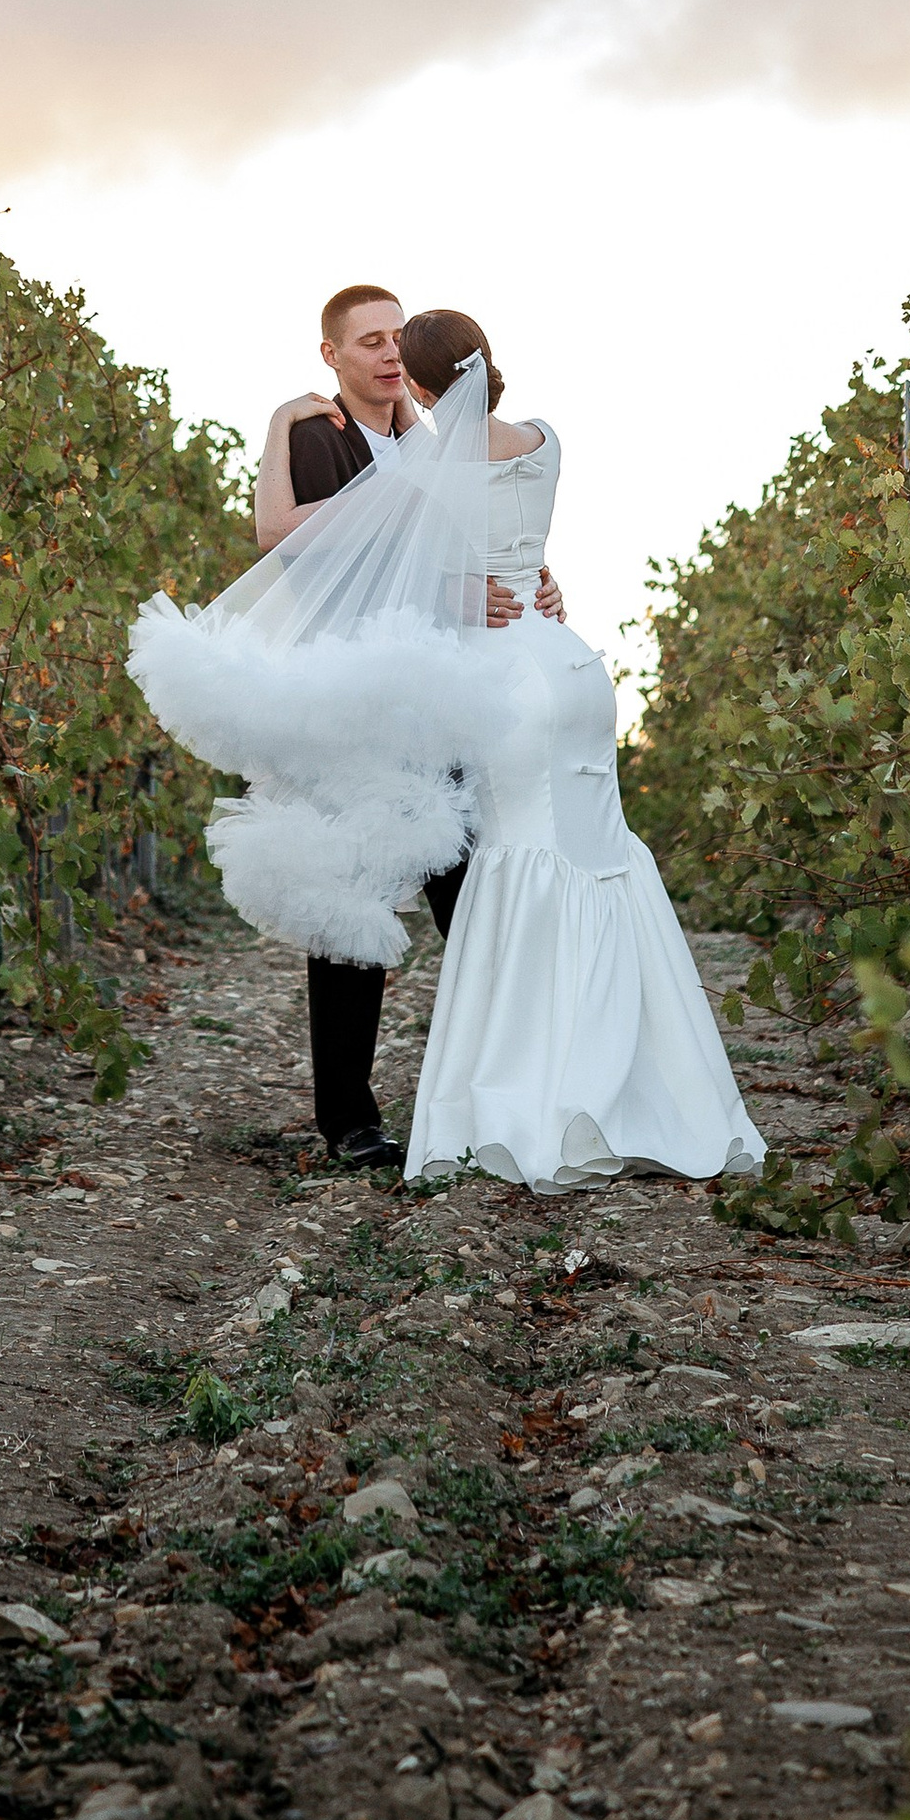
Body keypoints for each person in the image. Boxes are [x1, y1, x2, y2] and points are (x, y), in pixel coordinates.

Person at [386, 308, 761, 1193]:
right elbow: (524, 548)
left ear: (424, 385)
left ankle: (544, 1093)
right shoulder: (547, 440)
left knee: (521, 860)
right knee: (596, 857)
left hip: (501, 676)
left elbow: (409, 579)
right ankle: (639, 1081)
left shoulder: (424, 468)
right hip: (570, 663)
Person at [246, 286, 563, 1168]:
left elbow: (475, 536)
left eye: (398, 338)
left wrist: (534, 580)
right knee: (353, 905)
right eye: (369, 340)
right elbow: (300, 550)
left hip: (443, 696)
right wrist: (277, 422)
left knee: (472, 892)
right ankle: (349, 1119)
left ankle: (488, 1096)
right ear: (332, 355)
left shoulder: (430, 439)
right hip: (359, 700)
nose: (389, 353)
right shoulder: (319, 437)